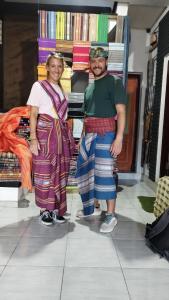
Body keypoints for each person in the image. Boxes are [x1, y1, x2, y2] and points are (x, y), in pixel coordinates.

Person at [76, 47, 127, 233]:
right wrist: (82, 138)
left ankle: (111, 215)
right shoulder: (89, 87)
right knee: (88, 172)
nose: (97, 64)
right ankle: (93, 208)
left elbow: (121, 112)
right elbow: (86, 117)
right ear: (90, 63)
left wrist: (119, 138)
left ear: (106, 61)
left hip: (106, 134)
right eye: (93, 61)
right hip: (88, 135)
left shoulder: (114, 82)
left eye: (100, 60)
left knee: (105, 175)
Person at [27, 52, 74, 226]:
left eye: (59, 66)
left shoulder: (62, 90)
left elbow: (63, 117)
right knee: (45, 171)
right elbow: (33, 113)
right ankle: (44, 211)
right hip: (45, 134)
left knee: (60, 171)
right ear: (46, 67)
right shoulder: (39, 86)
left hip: (60, 134)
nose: (56, 69)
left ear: (63, 69)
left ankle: (56, 209)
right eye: (53, 66)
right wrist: (33, 139)